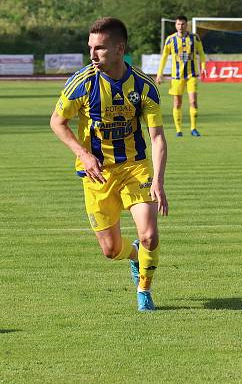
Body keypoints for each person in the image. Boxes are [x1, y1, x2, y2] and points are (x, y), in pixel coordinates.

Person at [50, 17, 168, 312]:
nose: (92, 55)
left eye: (99, 48)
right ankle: (133, 255)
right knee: (110, 249)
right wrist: (85, 155)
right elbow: (57, 122)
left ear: (119, 48)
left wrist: (158, 182)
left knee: (150, 234)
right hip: (97, 174)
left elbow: (157, 138)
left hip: (135, 168)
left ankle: (144, 290)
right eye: (90, 47)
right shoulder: (82, 82)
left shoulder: (143, 86)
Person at [156, 15, 206, 137]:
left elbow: (202, 53)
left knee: (193, 101)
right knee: (177, 103)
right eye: (178, 24)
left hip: (191, 75)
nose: (180, 26)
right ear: (175, 25)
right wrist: (159, 74)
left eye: (183, 24)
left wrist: (203, 67)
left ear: (186, 25)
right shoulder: (170, 39)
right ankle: (179, 130)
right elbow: (164, 57)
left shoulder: (195, 38)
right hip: (177, 77)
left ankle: (193, 128)